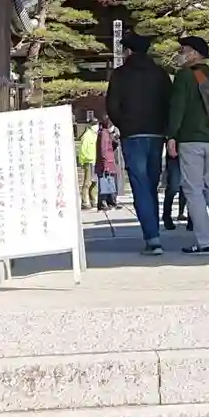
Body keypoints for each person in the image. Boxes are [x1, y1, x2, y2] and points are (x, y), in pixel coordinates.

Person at [105, 31, 172, 254]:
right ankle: (154, 233)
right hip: (156, 135)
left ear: (128, 51)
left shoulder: (120, 75)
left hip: (132, 135)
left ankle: (152, 238)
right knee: (151, 184)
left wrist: (124, 124)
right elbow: (169, 102)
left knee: (140, 185)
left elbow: (112, 105)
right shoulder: (160, 74)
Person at [166, 35, 209, 255]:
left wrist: (171, 135)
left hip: (190, 139)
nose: (180, 54)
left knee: (193, 189)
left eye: (183, 50)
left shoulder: (184, 76)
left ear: (194, 53)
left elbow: (177, 107)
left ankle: (203, 241)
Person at [94, 115, 120, 210]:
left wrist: (114, 137)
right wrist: (105, 163)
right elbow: (103, 149)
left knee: (109, 182)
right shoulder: (104, 134)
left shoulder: (106, 133)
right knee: (105, 183)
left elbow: (113, 145)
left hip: (108, 162)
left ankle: (109, 202)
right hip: (106, 163)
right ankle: (104, 203)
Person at [75, 114, 97, 209]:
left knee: (94, 181)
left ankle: (93, 199)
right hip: (89, 160)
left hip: (94, 160)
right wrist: (84, 161)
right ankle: (84, 201)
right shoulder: (88, 135)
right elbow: (83, 149)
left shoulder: (94, 134)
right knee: (87, 182)